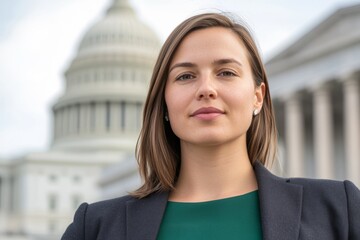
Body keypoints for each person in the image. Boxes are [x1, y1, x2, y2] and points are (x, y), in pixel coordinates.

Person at [61, 13, 360, 240]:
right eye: (185, 76)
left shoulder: (338, 210)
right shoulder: (96, 227)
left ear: (258, 97)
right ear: (164, 102)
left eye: (226, 72)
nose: (206, 89)